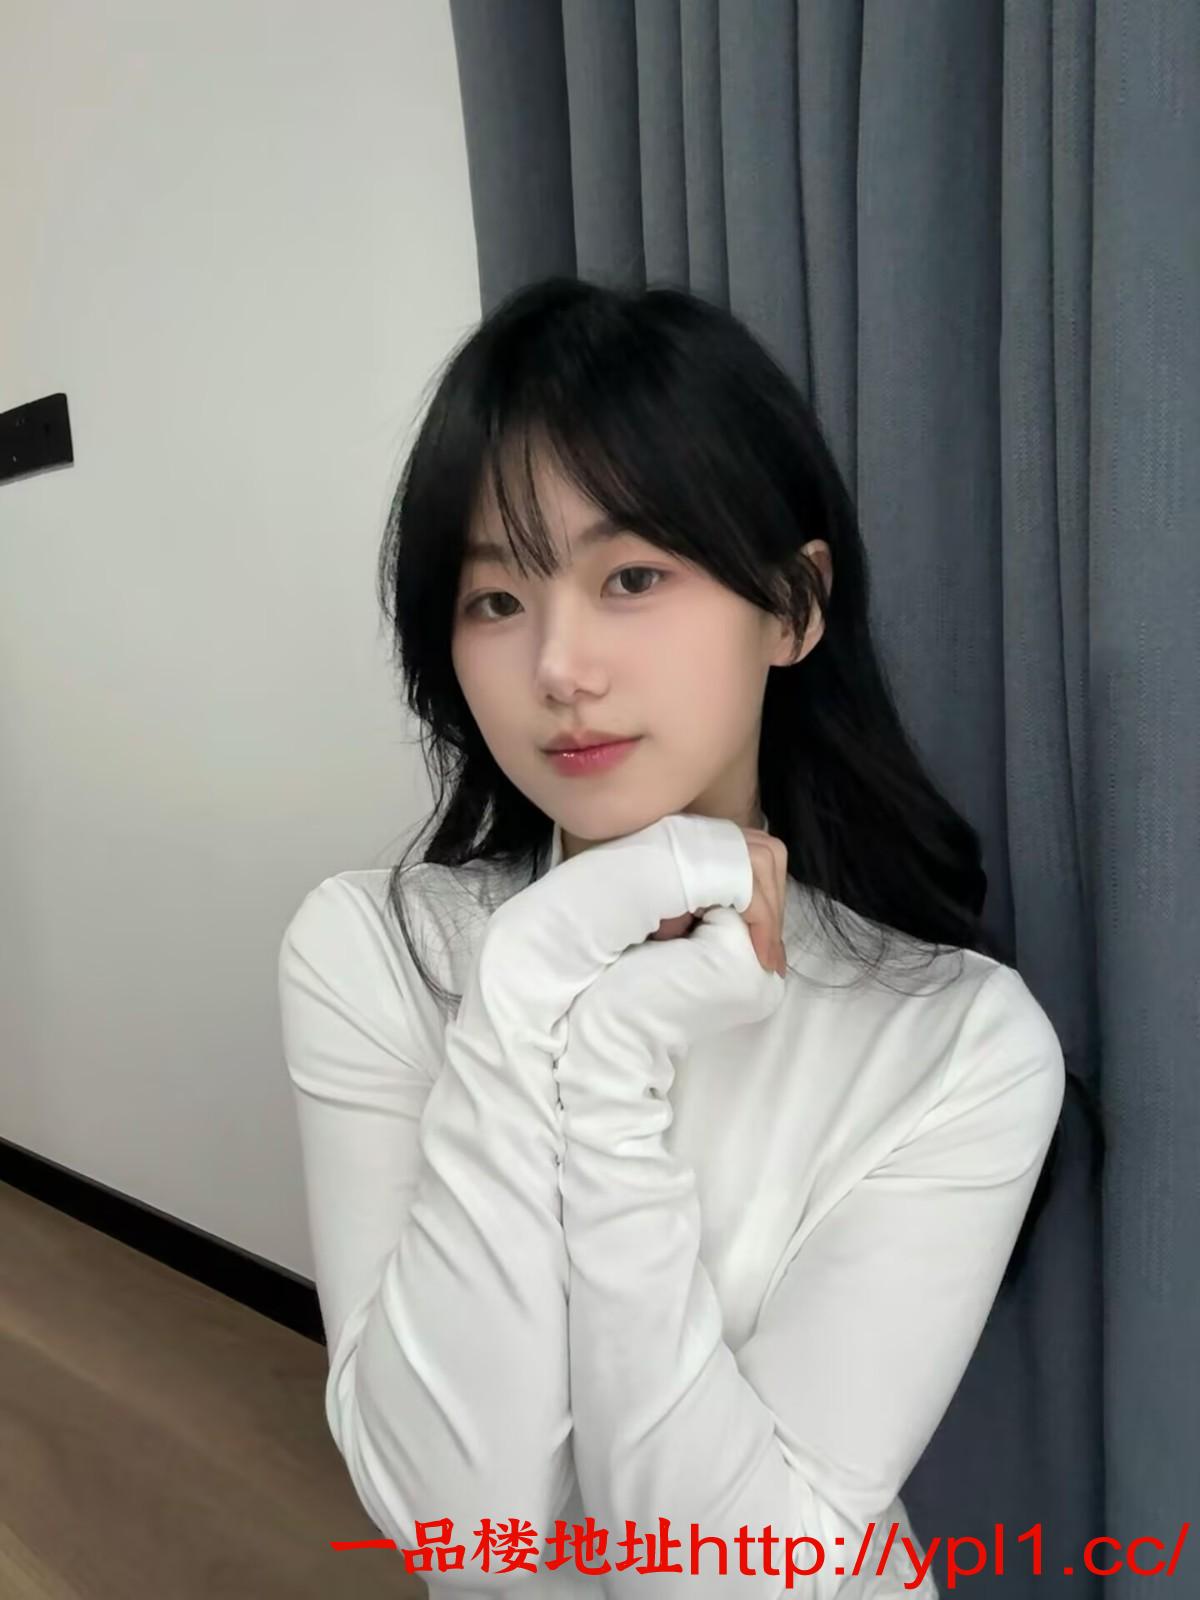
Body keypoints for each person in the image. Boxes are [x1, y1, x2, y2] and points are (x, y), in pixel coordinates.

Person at [276, 276, 1065, 1599]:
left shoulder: (960, 1040)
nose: (559, 668)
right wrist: (534, 985)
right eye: (494, 600)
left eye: (633, 576)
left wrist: (612, 1066)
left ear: (794, 606)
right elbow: (455, 1523)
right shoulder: (377, 953)